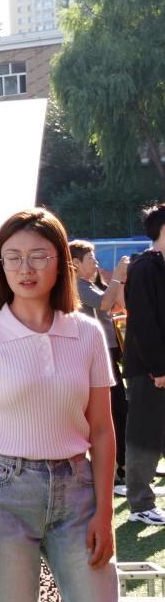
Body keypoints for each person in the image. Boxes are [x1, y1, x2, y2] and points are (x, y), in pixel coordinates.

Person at [0, 208, 140, 602]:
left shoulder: (87, 333)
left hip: (77, 494)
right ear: (0, 266)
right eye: (12, 257)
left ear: (60, 263)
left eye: (38, 255)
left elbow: (102, 429)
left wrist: (104, 513)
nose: (25, 268)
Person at [70, 240, 130, 493]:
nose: (96, 263)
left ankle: (123, 466)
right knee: (113, 410)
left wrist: (121, 280)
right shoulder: (77, 285)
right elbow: (104, 304)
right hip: (94, 356)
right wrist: (116, 275)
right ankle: (116, 469)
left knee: (120, 409)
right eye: (91, 259)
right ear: (75, 263)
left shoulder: (93, 284)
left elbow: (117, 304)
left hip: (109, 352)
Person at [122, 202, 165, 525]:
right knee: (143, 434)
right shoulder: (144, 268)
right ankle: (140, 505)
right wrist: (158, 368)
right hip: (149, 370)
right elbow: (143, 324)